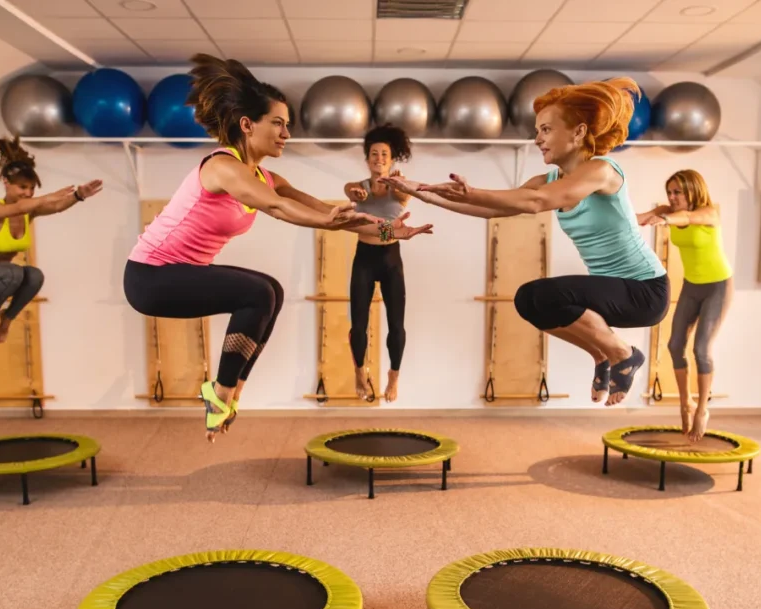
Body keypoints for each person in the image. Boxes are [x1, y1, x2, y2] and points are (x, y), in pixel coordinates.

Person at [123, 55, 432, 441]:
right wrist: (327, 222)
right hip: (150, 277)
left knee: (272, 290)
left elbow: (324, 209)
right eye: (278, 123)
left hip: (182, 273)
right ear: (247, 124)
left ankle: (233, 391)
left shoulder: (265, 176)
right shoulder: (223, 167)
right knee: (256, 294)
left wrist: (388, 230)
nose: (286, 133)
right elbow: (277, 207)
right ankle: (219, 393)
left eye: (288, 125)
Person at [382, 78, 667, 406]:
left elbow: (535, 202)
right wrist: (421, 192)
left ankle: (624, 354)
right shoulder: (548, 180)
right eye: (537, 131)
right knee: (528, 302)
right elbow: (490, 209)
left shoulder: (602, 170)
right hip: (613, 294)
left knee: (542, 293)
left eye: (546, 130)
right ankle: (601, 355)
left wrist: (471, 191)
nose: (537, 139)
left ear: (578, 132)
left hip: (645, 291)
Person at [0, 136, 102, 343]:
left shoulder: (29, 211)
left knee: (34, 276)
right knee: (14, 272)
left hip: (2, 277)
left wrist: (78, 195)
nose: (28, 193)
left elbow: (56, 206)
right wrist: (47, 197)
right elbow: (19, 207)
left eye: (32, 188)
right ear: (6, 183)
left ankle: (6, 320)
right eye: (22, 187)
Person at [637, 169, 733, 440]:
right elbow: (641, 217)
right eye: (669, 192)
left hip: (718, 287)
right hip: (691, 286)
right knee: (674, 345)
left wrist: (664, 218)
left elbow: (689, 218)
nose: (672, 197)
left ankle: (702, 409)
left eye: (678, 192)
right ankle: (685, 403)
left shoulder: (709, 213)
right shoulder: (669, 210)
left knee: (701, 349)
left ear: (693, 190)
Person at [342, 124, 413, 402]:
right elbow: (349, 190)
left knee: (397, 326)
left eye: (384, 154)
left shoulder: (400, 188)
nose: (379, 158)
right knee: (358, 326)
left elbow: (403, 199)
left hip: (391, 259)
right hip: (364, 258)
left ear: (392, 159)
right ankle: (359, 372)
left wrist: (399, 185)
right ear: (367, 158)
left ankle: (393, 378)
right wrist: (354, 194)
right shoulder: (358, 187)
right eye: (374, 154)